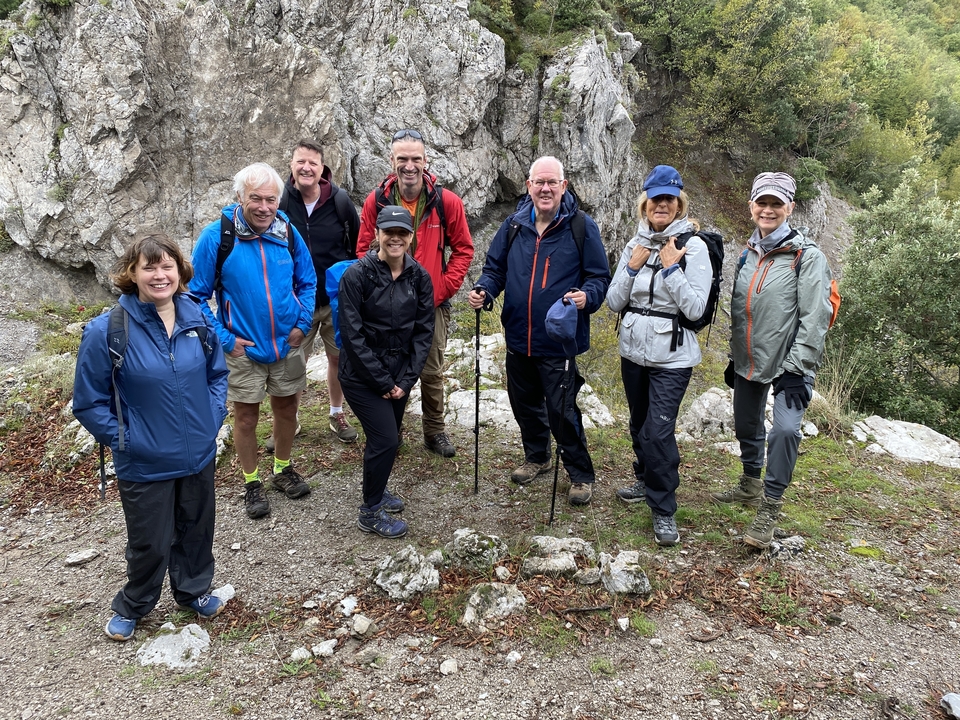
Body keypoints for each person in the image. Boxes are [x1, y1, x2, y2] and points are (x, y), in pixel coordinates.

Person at [73, 234, 230, 641]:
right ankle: (134, 604)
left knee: (196, 530)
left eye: (167, 266)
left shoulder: (196, 317)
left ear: (180, 272)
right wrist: (128, 440)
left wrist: (211, 421)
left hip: (198, 451)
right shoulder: (107, 330)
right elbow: (89, 403)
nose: (160, 275)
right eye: (150, 267)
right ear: (132, 273)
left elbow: (217, 376)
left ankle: (193, 590)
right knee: (151, 543)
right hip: (144, 460)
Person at [468, 156, 610, 506]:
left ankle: (579, 473)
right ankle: (538, 457)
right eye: (538, 182)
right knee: (524, 406)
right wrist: (484, 289)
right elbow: (495, 269)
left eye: (552, 182)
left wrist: (586, 296)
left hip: (558, 340)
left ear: (564, 186)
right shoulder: (514, 225)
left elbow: (599, 278)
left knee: (562, 409)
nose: (545, 189)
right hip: (518, 335)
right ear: (529, 186)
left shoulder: (580, 226)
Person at [712, 172, 834, 548]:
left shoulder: (807, 256)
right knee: (746, 423)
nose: (768, 210)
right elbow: (742, 310)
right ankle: (750, 482)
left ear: (790, 208)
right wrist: (736, 355)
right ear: (751, 206)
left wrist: (797, 369)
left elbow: (816, 317)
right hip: (750, 357)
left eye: (776, 204)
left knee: (784, 431)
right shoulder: (748, 253)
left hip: (791, 365)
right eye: (761, 203)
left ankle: (770, 505)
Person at [189, 163, 318, 520]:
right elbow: (196, 297)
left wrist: (303, 322)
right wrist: (225, 338)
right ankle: (251, 482)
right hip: (243, 347)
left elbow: (307, 282)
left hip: (287, 344)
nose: (263, 207)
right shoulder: (217, 237)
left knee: (287, 408)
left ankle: (282, 469)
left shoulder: (287, 231)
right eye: (255, 199)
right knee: (245, 417)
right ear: (239, 198)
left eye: (271, 199)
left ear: (279, 200)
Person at [605, 166, 712, 547]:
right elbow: (614, 301)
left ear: (680, 203)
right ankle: (644, 478)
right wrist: (632, 268)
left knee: (658, 432)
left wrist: (671, 268)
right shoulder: (634, 245)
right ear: (645, 204)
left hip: (673, 356)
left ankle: (663, 510)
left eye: (669, 198)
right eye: (656, 198)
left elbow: (696, 308)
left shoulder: (693, 247)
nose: (662, 204)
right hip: (632, 350)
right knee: (639, 424)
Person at [357, 129, 474, 458]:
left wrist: (441, 288)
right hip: (384, 305)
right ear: (391, 161)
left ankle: (434, 429)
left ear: (426, 161)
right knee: (387, 368)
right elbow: (363, 249)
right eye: (402, 159)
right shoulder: (377, 201)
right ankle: (389, 431)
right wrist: (374, 292)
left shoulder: (445, 202)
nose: (409, 166)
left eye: (416, 159)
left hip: (430, 305)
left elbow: (463, 250)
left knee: (431, 370)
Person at [339, 206, 434, 538]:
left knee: (385, 441)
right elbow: (352, 335)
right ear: (377, 234)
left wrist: (405, 381)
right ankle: (370, 511)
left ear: (411, 237)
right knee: (386, 439)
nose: (395, 238)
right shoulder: (357, 276)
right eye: (388, 231)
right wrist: (382, 381)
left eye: (402, 232)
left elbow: (424, 333)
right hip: (361, 376)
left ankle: (377, 490)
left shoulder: (419, 277)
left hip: (399, 377)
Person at [277, 139, 361, 448]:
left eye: (312, 163)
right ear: (292, 166)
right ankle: (289, 420)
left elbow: (356, 248)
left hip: (336, 300)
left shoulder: (339, 202)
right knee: (293, 361)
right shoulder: (281, 203)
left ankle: (336, 413)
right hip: (297, 301)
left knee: (337, 358)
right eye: (300, 162)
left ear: (322, 168)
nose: (306, 168)